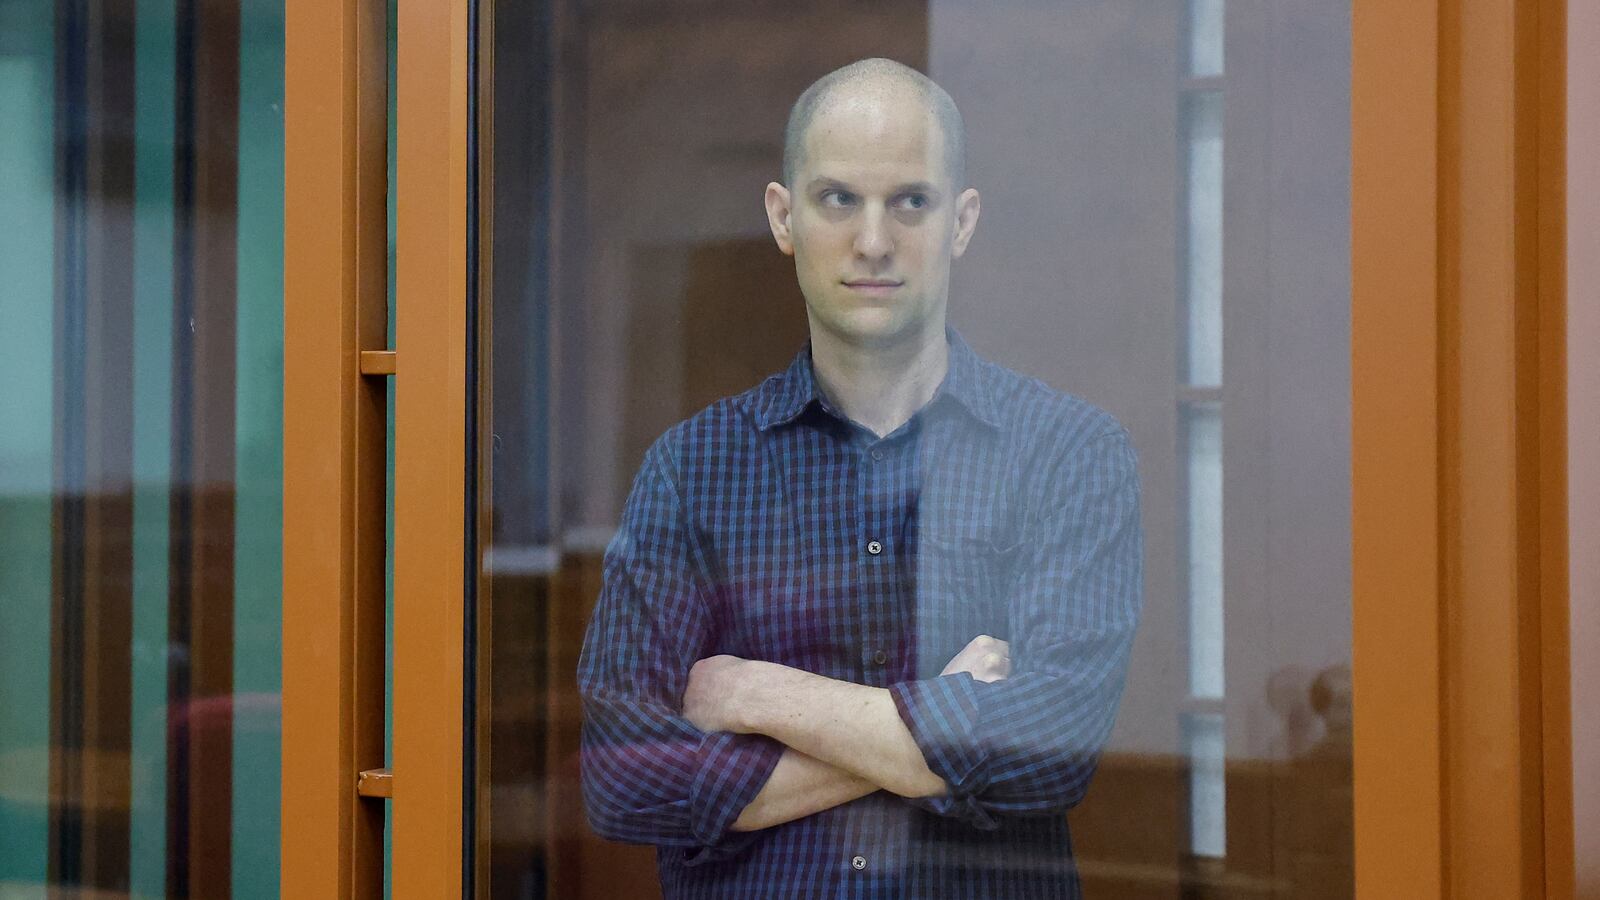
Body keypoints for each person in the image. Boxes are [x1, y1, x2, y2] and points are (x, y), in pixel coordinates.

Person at [577, 57, 1143, 899]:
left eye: (910, 201)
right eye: (838, 198)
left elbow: (1051, 753)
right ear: (783, 216)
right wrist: (948, 726)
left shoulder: (1069, 453)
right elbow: (621, 777)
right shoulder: (692, 469)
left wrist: (758, 693)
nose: (873, 241)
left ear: (962, 219)